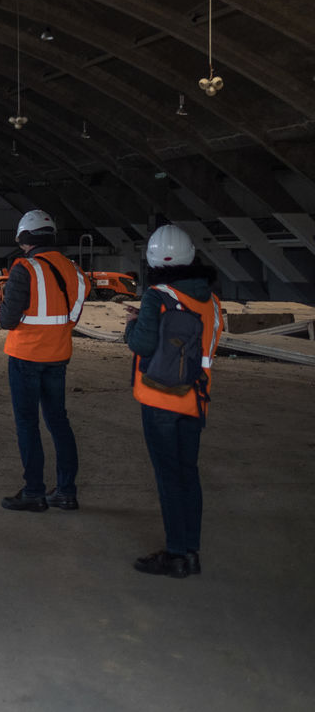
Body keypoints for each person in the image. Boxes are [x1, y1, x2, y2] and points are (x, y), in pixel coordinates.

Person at [125, 225, 223, 579]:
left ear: (152, 260)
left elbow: (142, 344)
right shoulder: (211, 301)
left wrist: (131, 324)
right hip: (194, 400)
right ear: (191, 255)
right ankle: (191, 551)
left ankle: (176, 555)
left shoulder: (157, 295)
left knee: (168, 478)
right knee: (188, 475)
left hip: (160, 399)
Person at [0, 209, 88, 512]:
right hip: (58, 355)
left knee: (28, 424)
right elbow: (73, 316)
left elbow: (8, 320)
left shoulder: (25, 268)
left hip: (26, 356)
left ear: (24, 238)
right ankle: (66, 491)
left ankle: (34, 492)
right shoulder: (74, 270)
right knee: (58, 421)